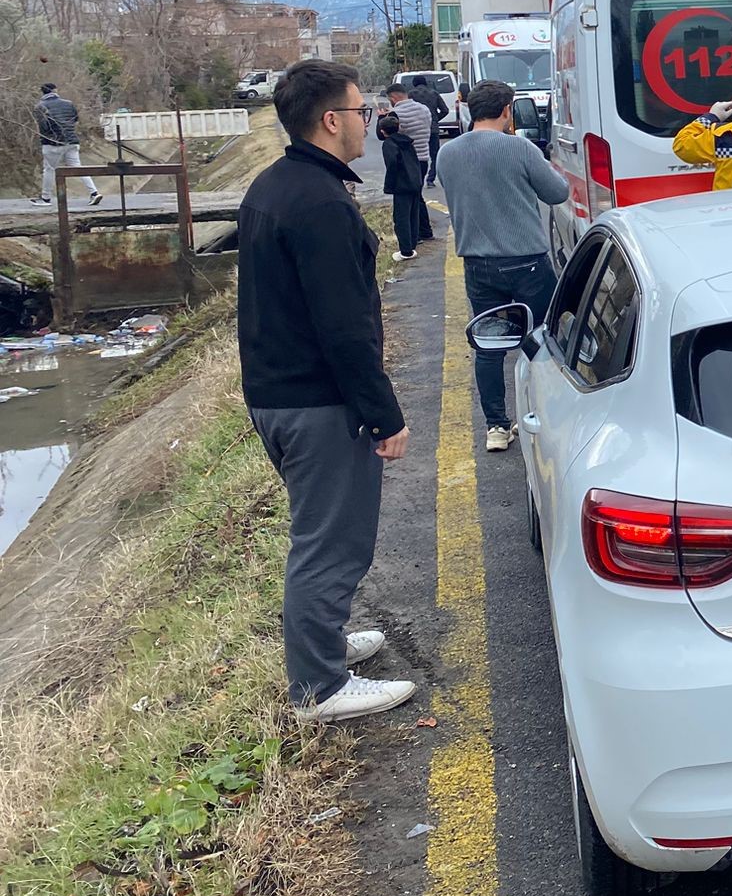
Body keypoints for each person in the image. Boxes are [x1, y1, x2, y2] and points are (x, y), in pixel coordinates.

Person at [237, 60, 415, 724]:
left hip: (276, 393)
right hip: (317, 402)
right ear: (332, 120)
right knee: (331, 543)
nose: (370, 120)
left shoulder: (277, 185)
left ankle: (326, 643)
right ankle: (320, 686)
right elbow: (343, 330)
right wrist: (382, 413)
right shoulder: (320, 206)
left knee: (320, 533)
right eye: (361, 110)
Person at [435, 81, 570, 452]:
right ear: (507, 110)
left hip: (478, 265)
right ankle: (549, 415)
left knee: (489, 346)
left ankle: (496, 426)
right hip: (526, 262)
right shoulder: (519, 148)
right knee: (543, 341)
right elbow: (557, 193)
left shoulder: (448, 155)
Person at [32, 83, 103, 207]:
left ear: (42, 93)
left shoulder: (40, 107)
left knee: (49, 169)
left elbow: (43, 126)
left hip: (52, 143)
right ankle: (94, 192)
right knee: (78, 167)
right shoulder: (68, 104)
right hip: (71, 141)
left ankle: (46, 198)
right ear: (55, 90)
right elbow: (75, 120)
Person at [382, 84, 435, 241]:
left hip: (407, 161)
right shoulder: (424, 109)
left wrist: (383, 119)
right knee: (417, 195)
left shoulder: (396, 113)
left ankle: (417, 235)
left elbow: (389, 135)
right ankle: (425, 231)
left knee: (410, 201)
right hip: (424, 158)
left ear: (393, 97)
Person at [378, 111, 423, 262]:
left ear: (383, 132)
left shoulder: (389, 144)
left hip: (401, 184)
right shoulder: (407, 142)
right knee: (413, 215)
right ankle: (412, 244)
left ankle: (406, 251)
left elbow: (392, 165)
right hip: (415, 182)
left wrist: (389, 185)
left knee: (401, 218)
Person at [410, 74, 450, 187]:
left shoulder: (411, 95)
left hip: (417, 129)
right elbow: (445, 110)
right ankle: (430, 179)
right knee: (435, 155)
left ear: (414, 84)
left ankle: (418, 178)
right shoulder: (434, 93)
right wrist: (435, 118)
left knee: (417, 155)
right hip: (433, 128)